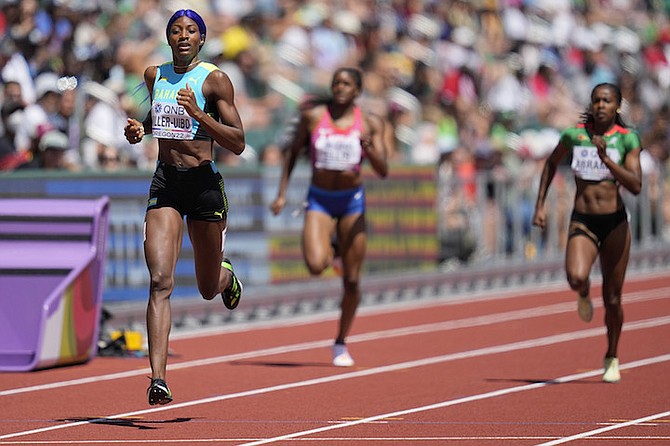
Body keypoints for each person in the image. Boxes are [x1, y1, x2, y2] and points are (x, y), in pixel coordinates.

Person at [123, 9, 245, 406]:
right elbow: (155, 117)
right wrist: (139, 130)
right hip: (166, 183)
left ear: (202, 39)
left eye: (191, 30)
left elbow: (238, 141)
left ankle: (226, 277)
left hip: (204, 185)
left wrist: (198, 114)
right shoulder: (153, 75)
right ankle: (158, 379)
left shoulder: (214, 80)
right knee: (160, 281)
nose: (183, 36)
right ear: (168, 38)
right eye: (176, 31)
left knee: (208, 288)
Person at [270, 67, 389, 367]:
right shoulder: (314, 117)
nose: (339, 87)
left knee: (351, 281)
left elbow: (383, 169)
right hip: (320, 199)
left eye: (346, 84)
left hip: (351, 202)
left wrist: (369, 148)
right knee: (315, 264)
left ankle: (340, 342)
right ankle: (334, 251)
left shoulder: (371, 123)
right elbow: (292, 151)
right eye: (336, 82)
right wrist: (282, 193)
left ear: (357, 91)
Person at [532, 83, 642, 383]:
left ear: (617, 106)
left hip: (615, 223)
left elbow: (635, 184)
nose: (601, 105)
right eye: (596, 100)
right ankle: (582, 292)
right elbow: (551, 163)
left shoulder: (627, 139)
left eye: (607, 101)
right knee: (577, 276)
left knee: (613, 299)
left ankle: (612, 354)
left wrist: (606, 160)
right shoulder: (575, 136)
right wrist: (540, 205)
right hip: (583, 219)